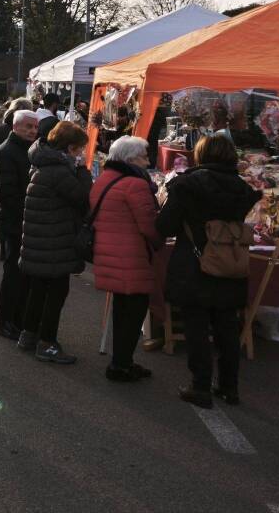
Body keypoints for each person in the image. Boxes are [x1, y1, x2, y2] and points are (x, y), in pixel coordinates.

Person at [156, 134, 261, 408]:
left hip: (195, 262)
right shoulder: (242, 188)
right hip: (229, 260)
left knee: (196, 326)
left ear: (201, 155)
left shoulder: (188, 184)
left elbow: (165, 225)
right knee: (227, 326)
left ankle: (200, 385)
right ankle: (229, 386)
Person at [18, 120, 93, 363]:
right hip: (54, 242)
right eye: (80, 149)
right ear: (70, 148)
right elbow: (83, 197)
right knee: (56, 293)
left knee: (38, 290)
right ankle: (47, 343)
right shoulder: (60, 171)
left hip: (41, 240)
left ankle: (29, 335)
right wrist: (84, 170)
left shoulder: (43, 164)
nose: (81, 153)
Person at [91, 136, 163, 382]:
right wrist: (160, 240)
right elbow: (149, 224)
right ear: (131, 159)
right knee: (133, 311)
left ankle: (121, 361)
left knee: (122, 309)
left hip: (109, 252)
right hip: (131, 255)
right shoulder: (135, 184)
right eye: (144, 157)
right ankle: (121, 364)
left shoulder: (105, 178)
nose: (148, 162)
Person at [0, 109, 38, 340]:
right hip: (13, 223)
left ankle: (19, 318)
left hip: (26, 222)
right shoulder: (7, 152)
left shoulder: (29, 150)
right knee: (12, 273)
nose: (32, 131)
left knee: (23, 275)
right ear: (15, 126)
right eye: (28, 126)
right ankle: (5, 320)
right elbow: (8, 195)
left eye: (35, 127)